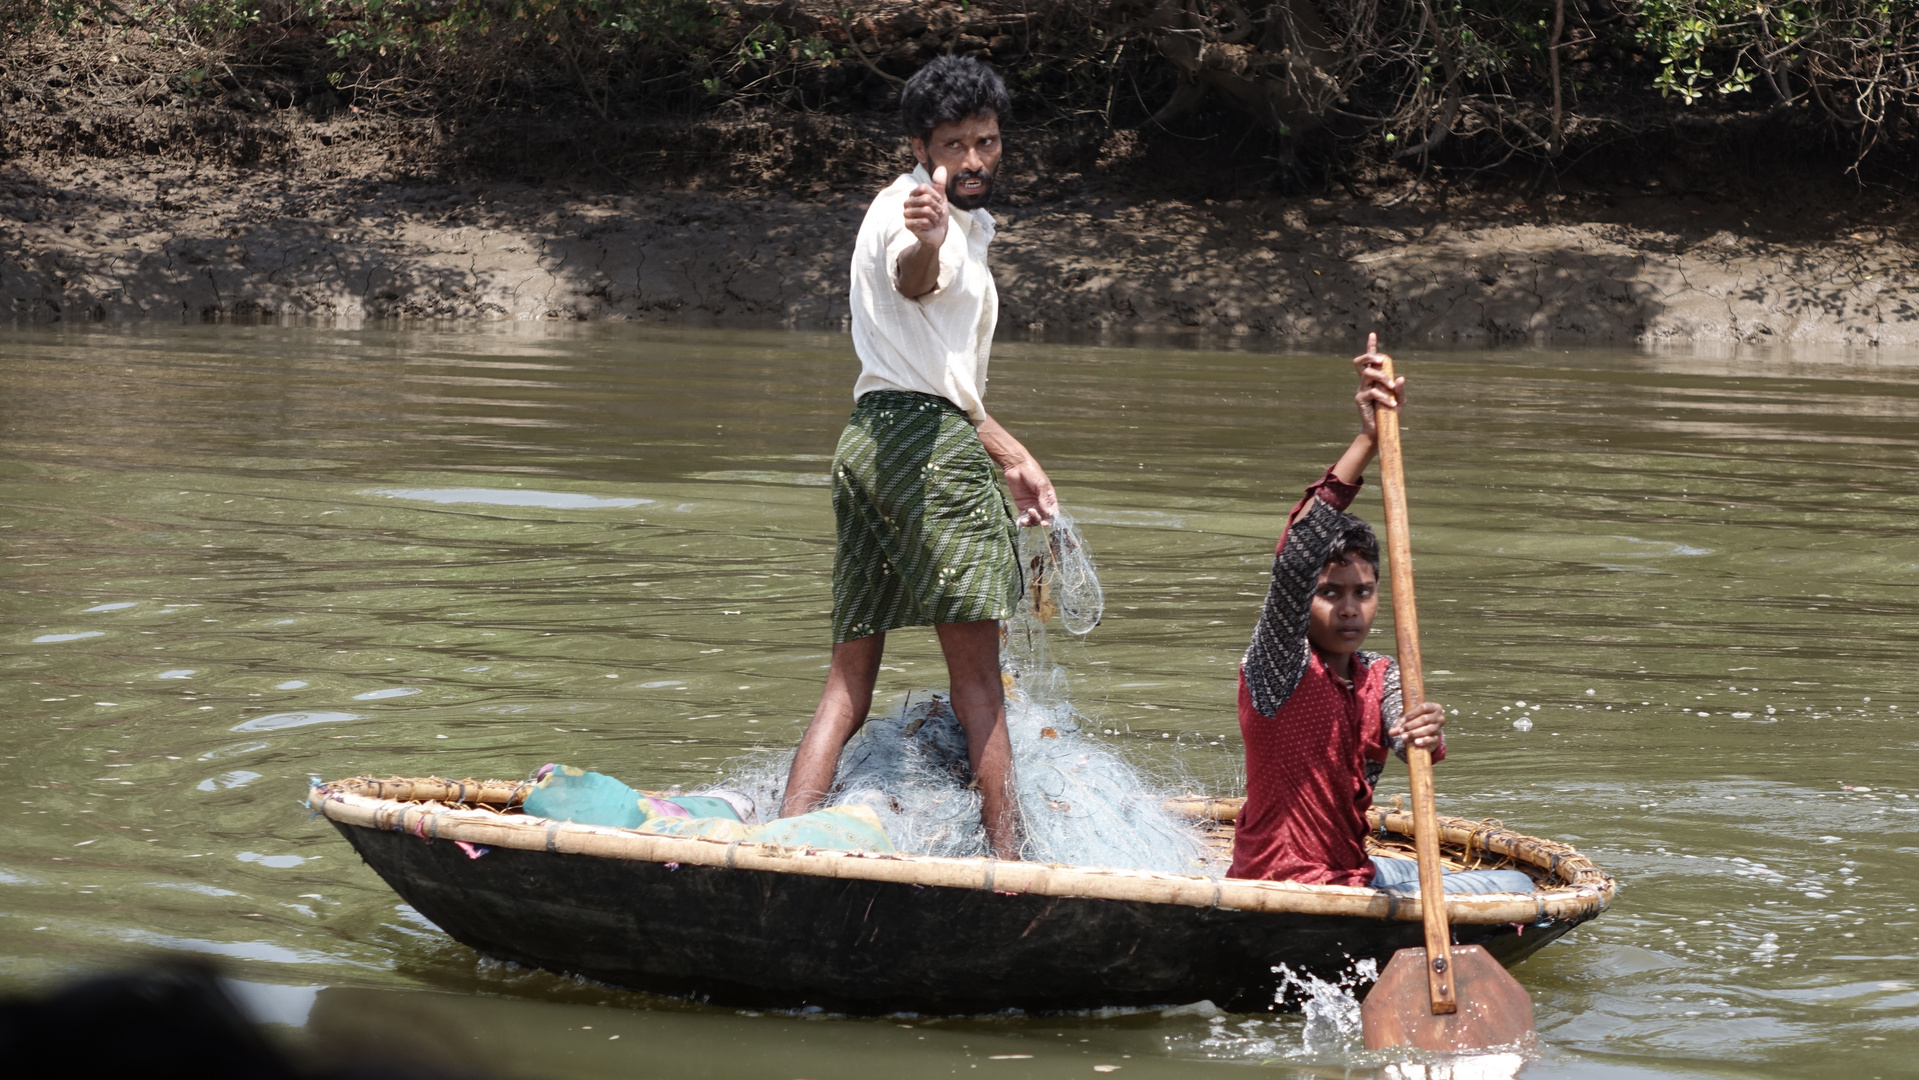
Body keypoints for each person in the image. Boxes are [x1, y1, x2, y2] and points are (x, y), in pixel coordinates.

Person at [780, 57, 1055, 860]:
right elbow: (912, 279)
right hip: (931, 455)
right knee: (979, 689)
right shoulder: (916, 214)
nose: (973, 161)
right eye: (954, 144)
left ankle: (783, 839)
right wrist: (929, 241)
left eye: (987, 142)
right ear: (919, 146)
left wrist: (1008, 451)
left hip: (868, 444)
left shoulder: (945, 217)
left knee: (847, 684)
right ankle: (1013, 870)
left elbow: (931, 371)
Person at [1231, 334, 1534, 895]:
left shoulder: (1381, 675)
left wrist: (1427, 731)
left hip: (1358, 872)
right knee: (1516, 891)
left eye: (1364, 593)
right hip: (1285, 879)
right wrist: (1368, 442)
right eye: (1331, 593)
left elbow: (1412, 744)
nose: (1351, 610)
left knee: (1516, 881)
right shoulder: (1279, 665)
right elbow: (1296, 557)